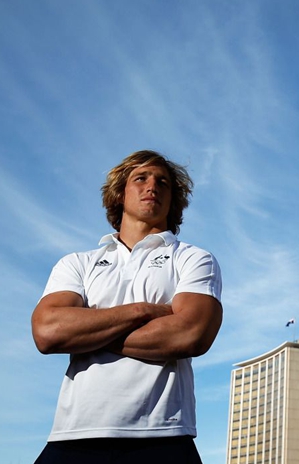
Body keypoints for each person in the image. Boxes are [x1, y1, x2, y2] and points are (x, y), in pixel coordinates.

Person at [31, 150, 223, 464]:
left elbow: (190, 334)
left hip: (164, 437)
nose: (153, 186)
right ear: (120, 193)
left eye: (163, 182)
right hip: (73, 437)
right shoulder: (77, 263)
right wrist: (142, 312)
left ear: (172, 200)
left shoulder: (193, 258)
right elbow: (48, 331)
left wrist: (87, 332)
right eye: (141, 178)